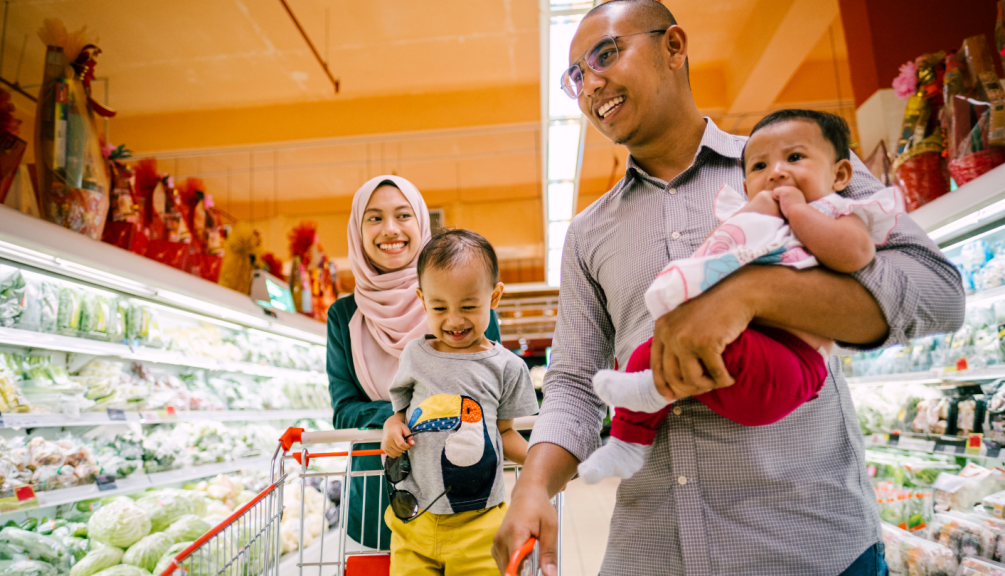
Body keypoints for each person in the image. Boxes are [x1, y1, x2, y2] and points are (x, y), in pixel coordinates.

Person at [491, 1, 964, 575]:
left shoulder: (794, 160)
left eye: (606, 54)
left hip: (810, 548)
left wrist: (750, 294)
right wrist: (533, 486)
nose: (591, 84)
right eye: (575, 77)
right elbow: (572, 383)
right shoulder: (589, 233)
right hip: (653, 553)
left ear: (674, 46)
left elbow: (937, 291)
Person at [579, 109, 905, 484]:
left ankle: (653, 389)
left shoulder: (838, 212)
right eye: (760, 166)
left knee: (712, 346)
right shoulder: (752, 221)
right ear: (747, 185)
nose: (777, 172)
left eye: (795, 158)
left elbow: (854, 255)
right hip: (737, 361)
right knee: (651, 349)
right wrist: (752, 215)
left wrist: (797, 211)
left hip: (791, 364)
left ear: (840, 174)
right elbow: (715, 258)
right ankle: (627, 445)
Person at [326, 176, 502, 551]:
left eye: (402, 215)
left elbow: (492, 393)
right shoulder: (344, 317)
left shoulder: (470, 297)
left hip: (464, 492)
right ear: (357, 230)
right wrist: (391, 417)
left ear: (420, 223)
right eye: (374, 218)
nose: (390, 229)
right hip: (379, 499)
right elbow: (344, 411)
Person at [380, 229, 538, 575]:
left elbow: (504, 434)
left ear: (494, 296)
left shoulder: (507, 367)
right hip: (413, 523)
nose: (454, 320)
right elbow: (398, 414)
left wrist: (542, 462)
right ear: (422, 300)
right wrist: (392, 426)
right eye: (439, 307)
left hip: (480, 527)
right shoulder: (415, 355)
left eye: (469, 306)